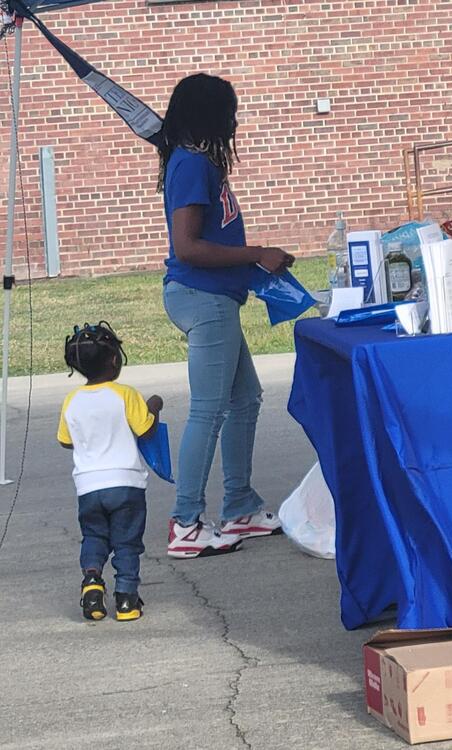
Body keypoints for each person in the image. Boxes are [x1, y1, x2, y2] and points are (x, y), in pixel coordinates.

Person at [157, 73, 293, 558]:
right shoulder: (192, 165)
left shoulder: (199, 163)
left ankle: (240, 506)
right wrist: (256, 253)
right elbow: (189, 247)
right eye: (229, 112)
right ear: (208, 115)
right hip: (202, 297)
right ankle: (186, 523)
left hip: (215, 297)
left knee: (246, 398)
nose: (235, 122)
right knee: (208, 409)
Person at [58, 322, 163, 621]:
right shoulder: (125, 395)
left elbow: (65, 441)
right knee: (127, 541)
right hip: (125, 483)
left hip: (89, 487)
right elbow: (145, 430)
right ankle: (127, 599)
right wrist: (153, 405)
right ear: (115, 359)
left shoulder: (71, 401)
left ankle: (92, 583)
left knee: (93, 535)